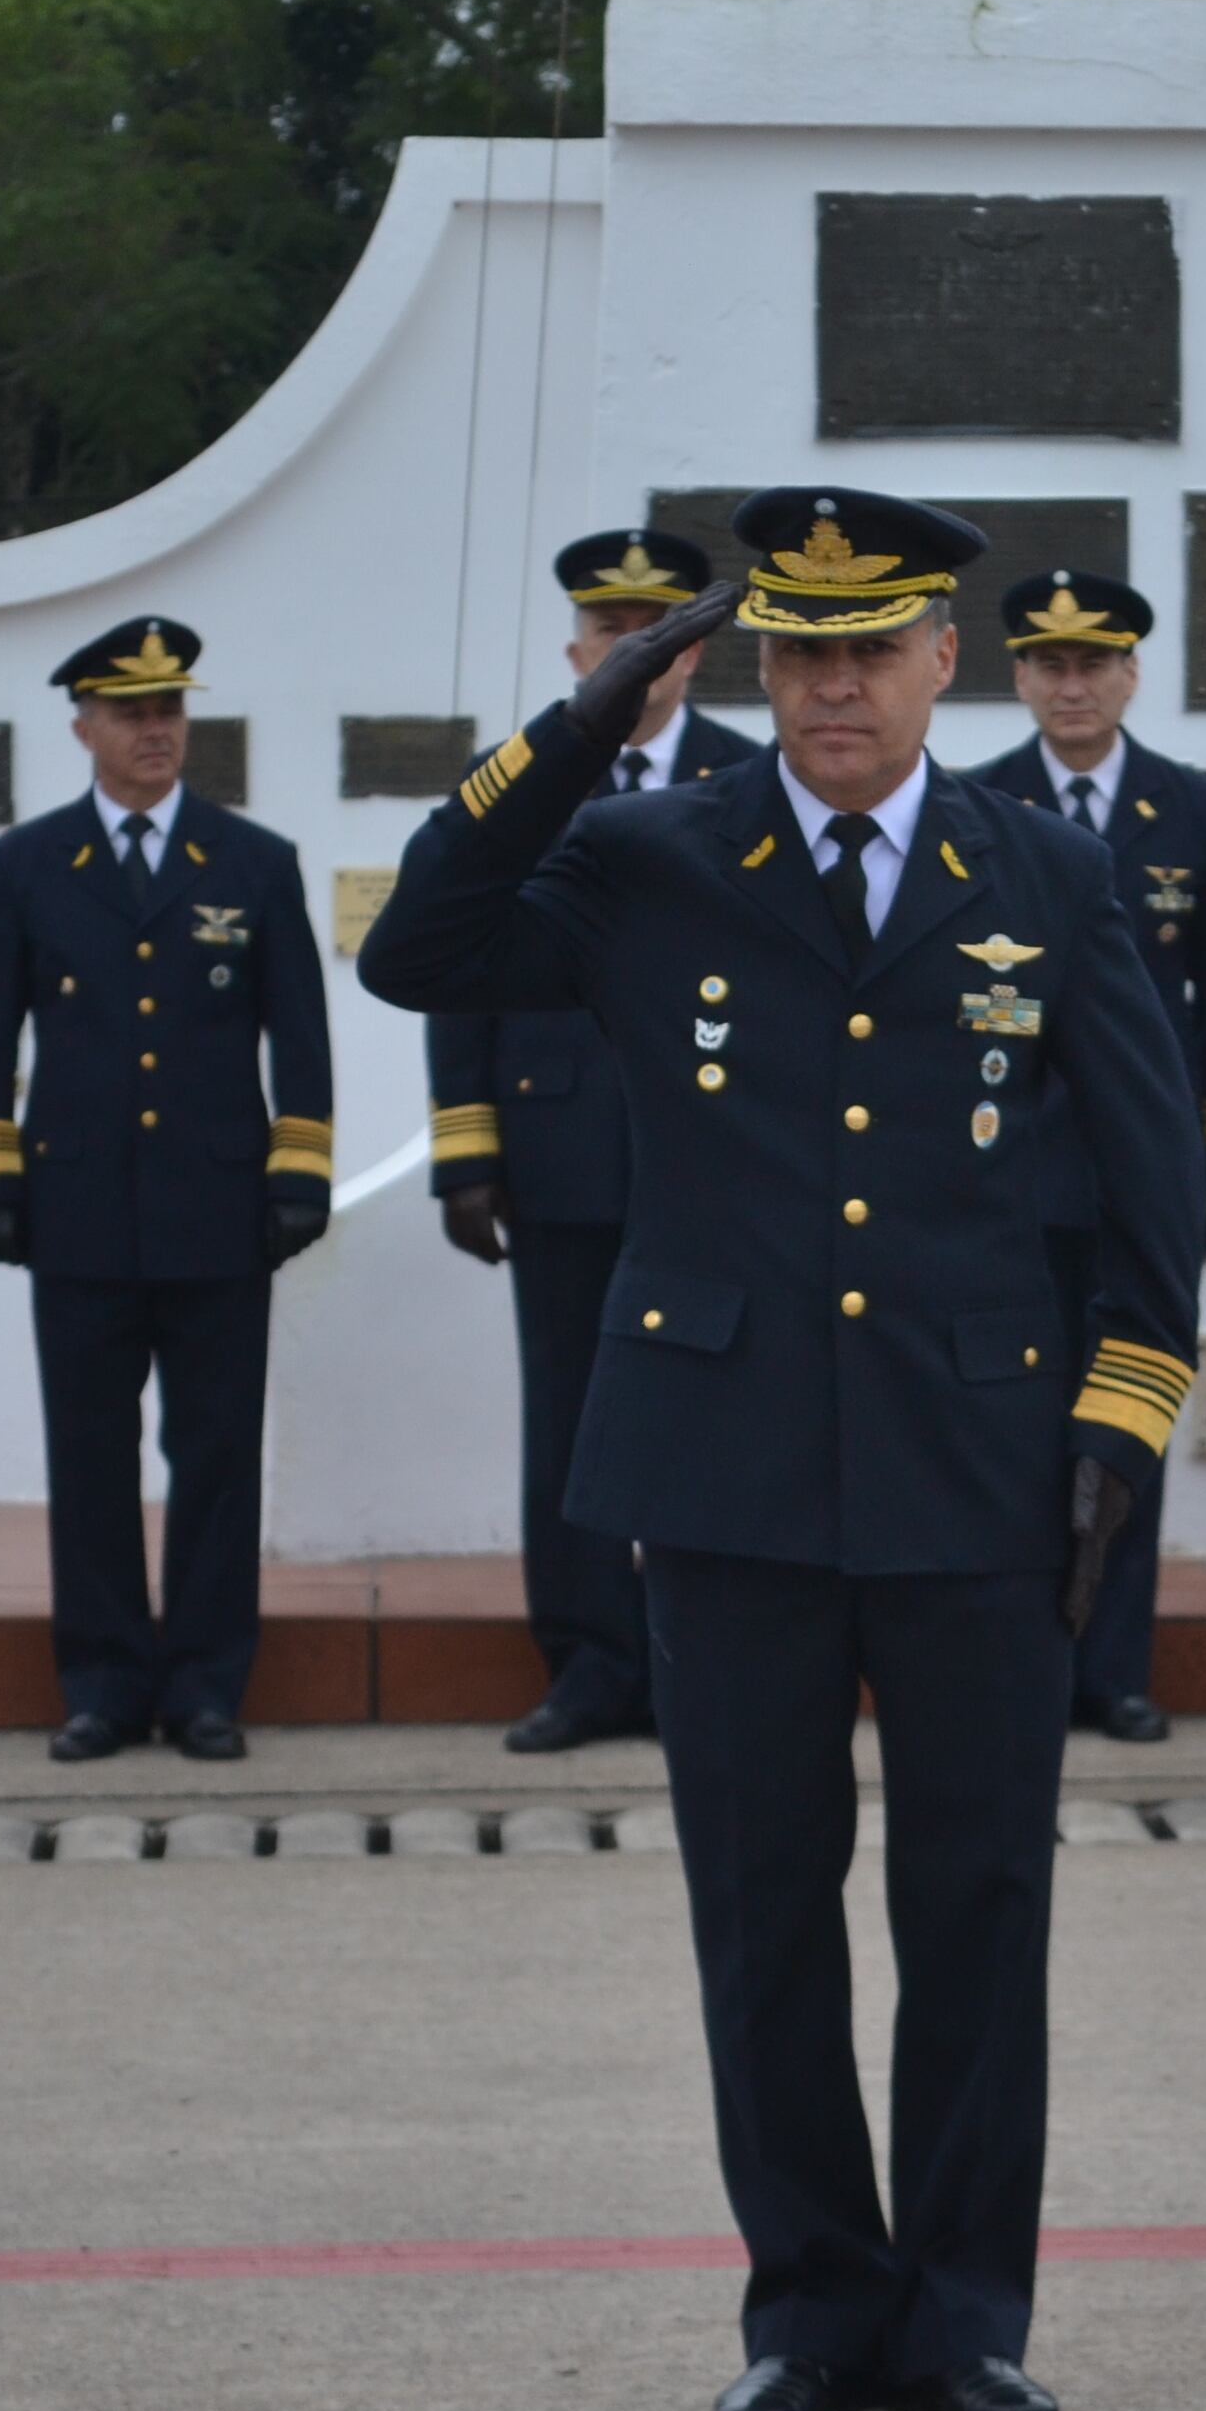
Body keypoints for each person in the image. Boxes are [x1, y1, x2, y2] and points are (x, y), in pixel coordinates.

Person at [360, 487, 1202, 2411]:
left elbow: (1161, 1175)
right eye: (797, 651)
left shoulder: (1040, 871)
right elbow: (425, 943)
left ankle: (967, 2308)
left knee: (980, 1896)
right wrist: (585, 720)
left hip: (978, 1457)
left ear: (941, 661)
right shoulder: (656, 851)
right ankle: (814, 2306)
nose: (834, 687)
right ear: (754, 665)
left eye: (871, 648)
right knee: (762, 1898)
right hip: (726, 1461)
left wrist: (1122, 1416)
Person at [0, 616, 333, 1763]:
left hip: (219, 1211)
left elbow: (300, 1037)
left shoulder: (253, 862)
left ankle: (209, 1686)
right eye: (131, 712)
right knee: (90, 1455)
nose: (155, 730)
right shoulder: (27, 864)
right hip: (75, 1210)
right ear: (83, 727)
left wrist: (298, 1172)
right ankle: (106, 1686)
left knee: (216, 1456)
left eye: (170, 709)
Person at [423, 530, 762, 1754]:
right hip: (557, 1148)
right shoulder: (523, 776)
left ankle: (698, 1664)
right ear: (577, 651)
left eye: (655, 632)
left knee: (714, 1412)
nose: (634, 651)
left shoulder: (754, 777)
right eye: (611, 633)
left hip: (713, 1151)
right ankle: (585, 1661)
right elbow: (455, 969)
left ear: (696, 651)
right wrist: (466, 1151)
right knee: (566, 1411)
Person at [967, 566, 1206, 1743]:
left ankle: (1115, 1667)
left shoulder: (1198, 814)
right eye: (1047, 664)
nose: (1070, 685)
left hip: (1144, 1177)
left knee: (1134, 1407)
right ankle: (1022, 1659)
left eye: (1093, 664)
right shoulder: (973, 807)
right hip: (1016, 1171)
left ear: (1132, 674)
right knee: (1017, 1424)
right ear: (1019, 676)